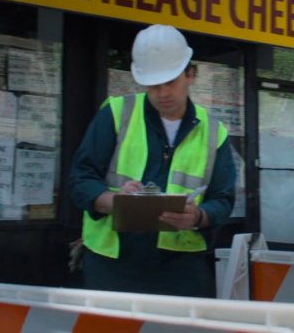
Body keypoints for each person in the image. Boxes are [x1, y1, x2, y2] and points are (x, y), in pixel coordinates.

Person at [69, 24, 236, 297]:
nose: (162, 92)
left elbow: (223, 199)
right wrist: (116, 202)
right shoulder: (116, 114)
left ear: (191, 75)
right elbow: (80, 180)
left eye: (170, 82)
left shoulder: (214, 132)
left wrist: (197, 216)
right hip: (111, 265)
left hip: (180, 269)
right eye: (154, 85)